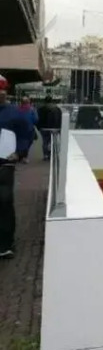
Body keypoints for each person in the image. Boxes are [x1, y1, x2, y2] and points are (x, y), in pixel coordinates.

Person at [0, 79, 35, 259]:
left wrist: (19, 153)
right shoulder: (14, 113)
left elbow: (27, 134)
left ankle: (5, 243)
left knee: (4, 202)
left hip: (5, 164)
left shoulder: (15, 114)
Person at [37, 96, 62, 160]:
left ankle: (45, 155)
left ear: (45, 101)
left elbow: (38, 119)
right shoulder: (57, 109)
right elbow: (59, 118)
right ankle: (51, 154)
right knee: (53, 141)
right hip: (54, 128)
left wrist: (38, 127)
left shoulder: (40, 109)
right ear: (52, 101)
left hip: (43, 128)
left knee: (45, 141)